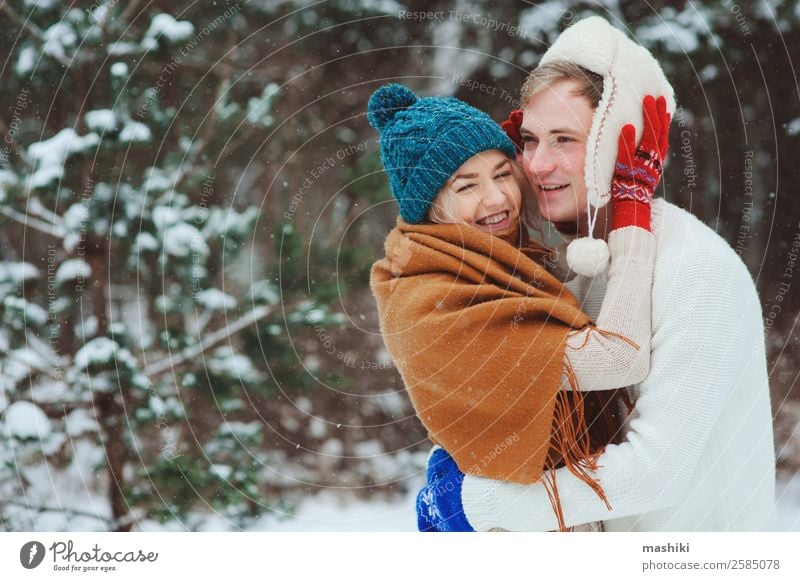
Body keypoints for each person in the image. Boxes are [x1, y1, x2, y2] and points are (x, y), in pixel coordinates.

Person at [416, 16, 777, 532]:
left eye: (565, 139)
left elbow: (655, 471)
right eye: (531, 140)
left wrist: (480, 505)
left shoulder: (697, 270)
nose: (538, 164)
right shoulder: (572, 261)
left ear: (619, 143)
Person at [367, 80, 667, 531]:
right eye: (466, 185)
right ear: (428, 206)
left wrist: (537, 164)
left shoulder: (487, 261)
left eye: (503, 174)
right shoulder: (433, 301)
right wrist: (631, 212)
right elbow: (618, 358)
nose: (497, 198)